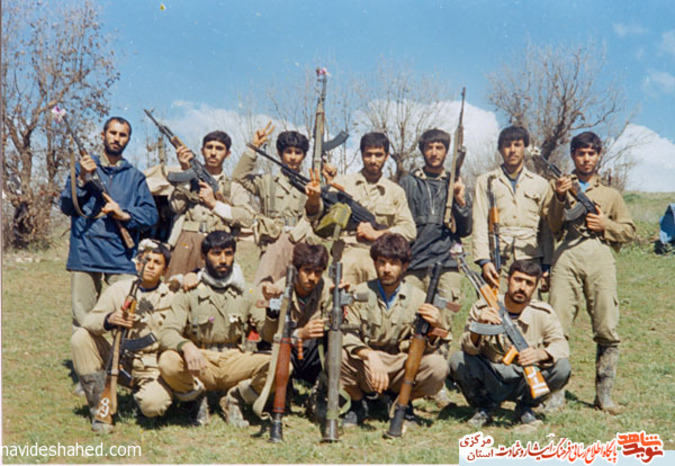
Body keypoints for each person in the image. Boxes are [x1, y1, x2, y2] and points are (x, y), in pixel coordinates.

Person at [544, 131, 636, 415]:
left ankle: (604, 396)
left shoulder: (610, 194)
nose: (586, 159)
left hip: (600, 255)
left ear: (598, 156)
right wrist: (560, 196)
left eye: (591, 153)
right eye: (581, 153)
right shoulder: (559, 185)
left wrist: (605, 225)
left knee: (607, 324)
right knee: (557, 324)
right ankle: (555, 394)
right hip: (567, 255)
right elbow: (553, 225)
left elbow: (629, 230)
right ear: (573, 155)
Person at [158, 231, 273, 427]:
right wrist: (186, 346)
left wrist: (273, 314)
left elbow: (267, 334)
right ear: (203, 257)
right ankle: (196, 398)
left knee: (281, 365)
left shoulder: (249, 291)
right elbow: (167, 332)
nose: (223, 260)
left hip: (235, 360)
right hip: (201, 362)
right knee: (168, 361)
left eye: (228, 253)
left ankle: (235, 399)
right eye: (216, 253)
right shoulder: (189, 291)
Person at [340, 233, 449, 425]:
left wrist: (435, 327)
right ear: (374, 263)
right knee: (337, 355)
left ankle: (402, 402)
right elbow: (347, 334)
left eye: (393, 263)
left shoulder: (419, 298)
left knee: (437, 366)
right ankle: (358, 403)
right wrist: (370, 356)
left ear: (405, 266)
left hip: (401, 364)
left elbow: (432, 346)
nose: (386, 269)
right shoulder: (359, 293)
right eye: (381, 262)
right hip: (366, 364)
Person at [60, 117, 158, 329]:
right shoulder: (81, 168)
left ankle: (119, 352)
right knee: (83, 320)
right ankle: (86, 352)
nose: (117, 138)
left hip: (121, 256)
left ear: (128, 139)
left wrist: (124, 214)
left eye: (123, 135)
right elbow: (67, 206)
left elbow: (151, 215)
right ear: (103, 135)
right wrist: (83, 179)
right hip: (85, 252)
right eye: (113, 133)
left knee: (127, 316)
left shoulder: (135, 177)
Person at [449, 260, 571, 429]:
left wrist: (539, 354)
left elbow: (561, 345)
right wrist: (479, 326)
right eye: (518, 280)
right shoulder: (483, 307)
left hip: (524, 379)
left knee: (562, 367)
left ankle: (525, 407)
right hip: (491, 375)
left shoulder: (543, 312)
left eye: (529, 283)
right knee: (457, 360)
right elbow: (467, 348)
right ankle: (484, 407)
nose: (522, 287)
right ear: (507, 280)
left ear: (535, 287)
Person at [71, 240, 175, 433]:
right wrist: (110, 319)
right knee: (81, 338)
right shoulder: (119, 290)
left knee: (153, 406)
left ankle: (148, 395)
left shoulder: (171, 296)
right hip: (120, 359)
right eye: (146, 260)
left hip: (152, 366)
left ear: (165, 270)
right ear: (138, 264)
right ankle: (99, 407)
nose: (150, 266)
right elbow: (89, 321)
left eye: (157, 262)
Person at [398, 129, 472, 372]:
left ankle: (438, 372)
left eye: (439, 147)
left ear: (447, 151)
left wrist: (460, 200)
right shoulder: (409, 182)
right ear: (422, 150)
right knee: (410, 317)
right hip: (414, 262)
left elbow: (466, 229)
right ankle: (408, 369)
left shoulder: (455, 183)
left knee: (444, 319)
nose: (434, 152)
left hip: (446, 264)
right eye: (429, 147)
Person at [305, 132, 416, 285]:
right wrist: (313, 200)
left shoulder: (395, 192)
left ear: (386, 156)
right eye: (368, 154)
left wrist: (377, 234)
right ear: (362, 155)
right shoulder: (342, 183)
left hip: (381, 263)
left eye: (378, 155)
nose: (373, 160)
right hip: (345, 258)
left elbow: (409, 230)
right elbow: (317, 220)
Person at [233, 125, 326, 285]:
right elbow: (239, 177)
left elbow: (316, 213)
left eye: (298, 152)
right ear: (279, 153)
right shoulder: (267, 181)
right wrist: (254, 148)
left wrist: (314, 198)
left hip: (302, 242)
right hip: (273, 241)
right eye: (288, 152)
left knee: (301, 289)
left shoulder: (311, 184)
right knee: (264, 289)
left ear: (304, 155)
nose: (293, 157)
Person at [472, 126, 553, 292]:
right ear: (500, 149)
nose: (512, 150)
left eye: (517, 144)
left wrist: (547, 265)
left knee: (529, 305)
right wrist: (484, 261)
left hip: (530, 258)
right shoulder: (486, 181)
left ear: (525, 148)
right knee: (494, 305)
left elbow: (546, 229)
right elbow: (479, 222)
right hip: (498, 258)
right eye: (507, 145)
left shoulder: (540, 184)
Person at [166, 131, 253, 277]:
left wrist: (214, 204)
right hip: (187, 241)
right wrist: (185, 172)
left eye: (219, 148)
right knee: (176, 285)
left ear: (228, 154)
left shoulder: (233, 187)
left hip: (218, 246)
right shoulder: (189, 178)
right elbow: (176, 207)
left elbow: (247, 218)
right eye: (209, 147)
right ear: (202, 151)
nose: (213, 153)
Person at [258, 242, 332, 387]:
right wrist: (299, 334)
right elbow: (268, 336)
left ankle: (321, 386)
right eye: (307, 271)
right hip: (285, 349)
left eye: (318, 272)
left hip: (313, 351)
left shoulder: (327, 288)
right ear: (296, 270)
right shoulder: (279, 290)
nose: (312, 278)